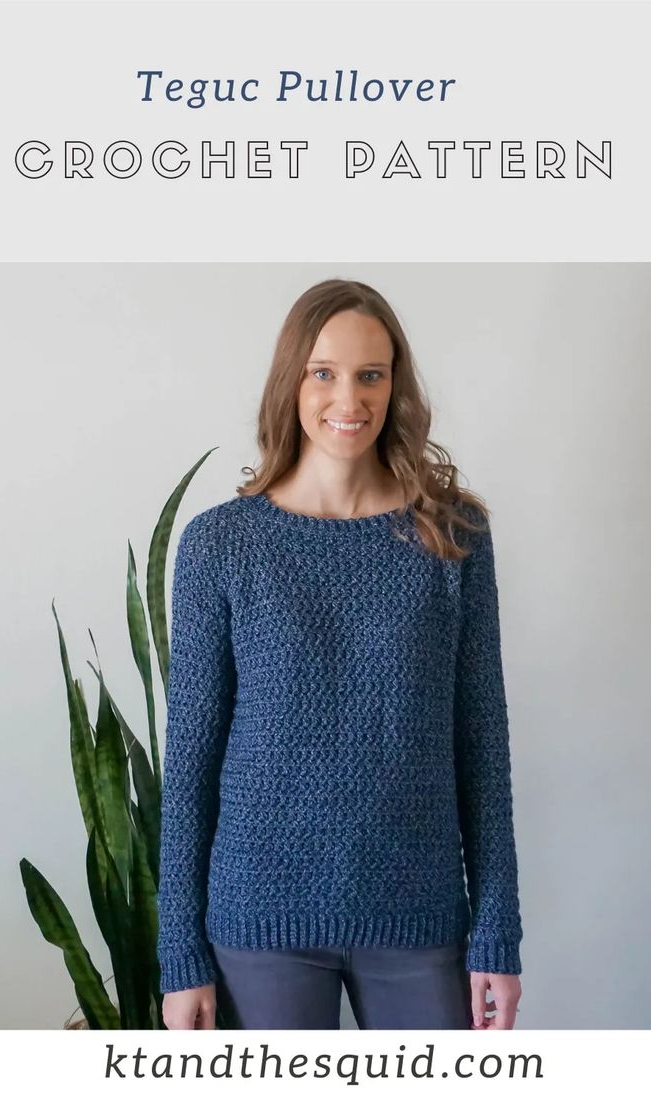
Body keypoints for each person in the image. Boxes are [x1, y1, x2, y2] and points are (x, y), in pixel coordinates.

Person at [156, 278, 524, 1030]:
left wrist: (498, 931)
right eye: (323, 372)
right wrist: (180, 956)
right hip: (260, 921)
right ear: (291, 380)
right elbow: (191, 757)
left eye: (370, 375)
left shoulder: (453, 539)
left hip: (420, 917)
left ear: (396, 386)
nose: (347, 400)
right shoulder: (221, 545)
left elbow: (482, 742)